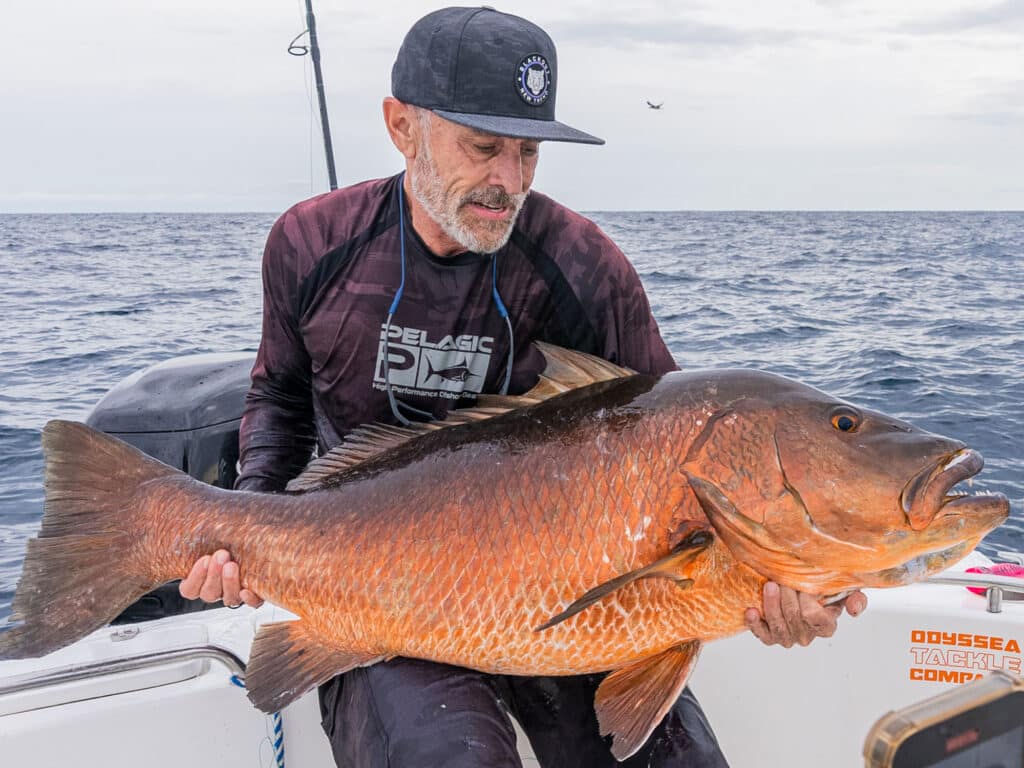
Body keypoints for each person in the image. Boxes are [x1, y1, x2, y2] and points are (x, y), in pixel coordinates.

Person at [179, 7, 867, 767]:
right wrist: (244, 522)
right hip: (373, 590)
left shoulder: (584, 266)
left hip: (573, 599)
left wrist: (793, 581)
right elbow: (278, 393)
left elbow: (676, 444)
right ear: (401, 126)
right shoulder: (313, 244)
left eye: (527, 151)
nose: (507, 180)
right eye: (482, 146)